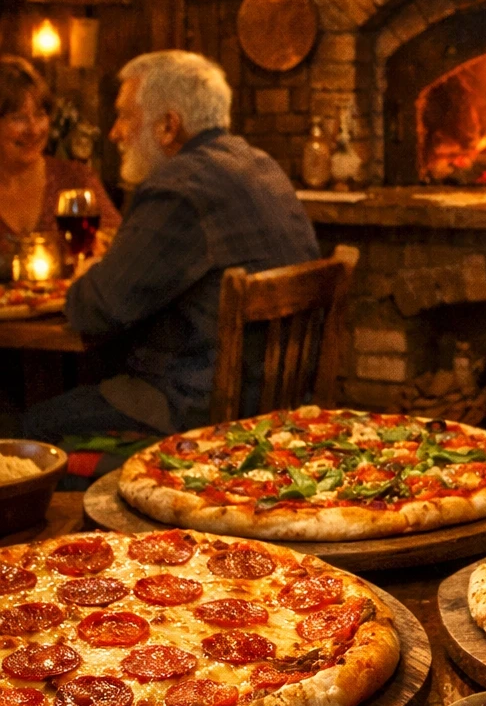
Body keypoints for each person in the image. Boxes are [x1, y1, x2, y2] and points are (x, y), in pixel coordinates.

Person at [24, 51, 320, 441]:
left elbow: (94, 309)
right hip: (278, 404)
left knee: (24, 425)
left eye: (125, 115)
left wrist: (86, 274)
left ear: (168, 126)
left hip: (198, 412)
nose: (114, 132)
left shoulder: (178, 188)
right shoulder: (260, 164)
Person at [0, 55, 119, 280]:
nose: (34, 130)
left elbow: (120, 248)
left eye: (40, 114)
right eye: (18, 118)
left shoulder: (75, 179)